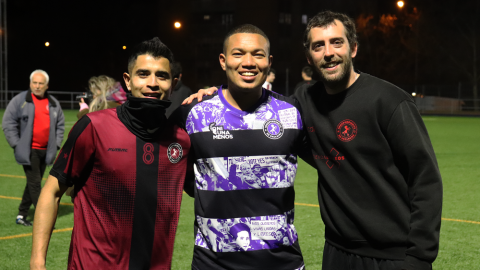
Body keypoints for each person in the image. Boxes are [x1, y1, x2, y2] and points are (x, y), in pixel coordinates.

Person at [294, 11, 443, 270]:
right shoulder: (305, 100)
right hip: (337, 252)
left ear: (353, 48)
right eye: (319, 46)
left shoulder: (389, 101)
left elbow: (425, 179)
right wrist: (217, 94)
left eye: (336, 42)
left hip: (393, 257)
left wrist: (419, 257)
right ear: (309, 57)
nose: (328, 52)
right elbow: (263, 107)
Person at [30, 37, 192, 270]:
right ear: (128, 80)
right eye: (143, 74)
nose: (153, 83)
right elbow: (53, 190)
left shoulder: (182, 140)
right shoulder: (94, 127)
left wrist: (216, 95)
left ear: (173, 84)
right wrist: (37, 262)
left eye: (162, 76)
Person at [172, 24, 306, 269]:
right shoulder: (194, 113)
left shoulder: (292, 113)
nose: (248, 62)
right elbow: (158, 159)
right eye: (238, 54)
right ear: (223, 61)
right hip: (213, 264)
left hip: (281, 263)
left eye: (258, 54)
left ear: (269, 61)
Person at [2, 70, 65, 227]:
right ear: (30, 84)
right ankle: (43, 219)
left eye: (40, 83)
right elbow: (8, 122)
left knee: (32, 184)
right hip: (29, 152)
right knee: (36, 184)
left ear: (46, 85)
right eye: (34, 83)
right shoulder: (20, 100)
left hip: (46, 151)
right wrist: (17, 144)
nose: (37, 86)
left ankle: (21, 215)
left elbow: (60, 125)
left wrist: (56, 144)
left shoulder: (53, 103)